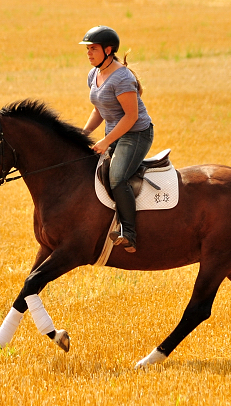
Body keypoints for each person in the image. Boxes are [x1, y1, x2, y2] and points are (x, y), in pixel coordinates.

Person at [79, 26, 154, 253]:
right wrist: (82, 134)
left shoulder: (121, 77)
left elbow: (131, 117)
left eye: (93, 49)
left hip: (136, 133)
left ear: (108, 50)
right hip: (116, 133)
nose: (89, 53)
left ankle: (128, 233)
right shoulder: (95, 74)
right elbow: (99, 110)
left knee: (117, 177)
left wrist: (104, 142)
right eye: (88, 49)